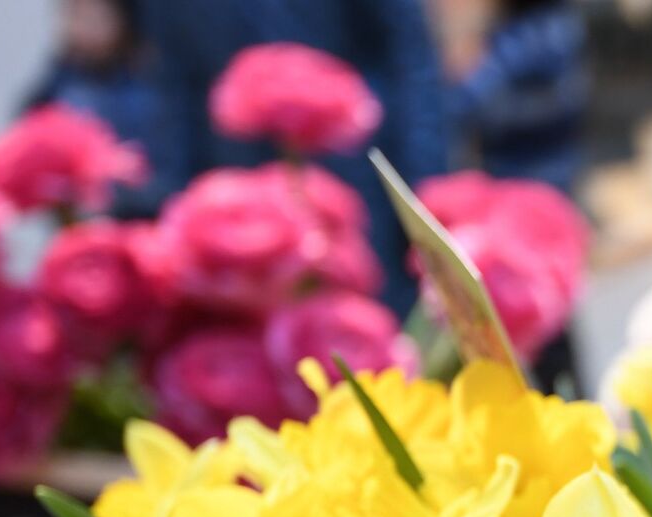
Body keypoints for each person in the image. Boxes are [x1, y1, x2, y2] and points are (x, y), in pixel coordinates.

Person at [136, 1, 450, 311]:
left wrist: (421, 205)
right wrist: (180, 218)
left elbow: (410, 62)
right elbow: (178, 87)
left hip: (358, 195)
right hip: (235, 209)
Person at [25, 0, 161, 215]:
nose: (83, 27)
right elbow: (28, 134)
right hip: (81, 216)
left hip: (143, 212)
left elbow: (167, 165)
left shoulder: (150, 76)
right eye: (74, 16)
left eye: (94, 16)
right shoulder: (60, 80)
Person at [449, 0, 589, 196]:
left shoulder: (531, 36)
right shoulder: (560, 27)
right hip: (546, 175)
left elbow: (466, 103)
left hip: (525, 180)